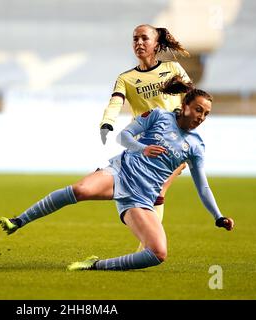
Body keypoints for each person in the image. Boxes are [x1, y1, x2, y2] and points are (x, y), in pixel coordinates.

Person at [0, 76, 234, 271]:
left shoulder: (195, 146)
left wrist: (218, 216)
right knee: (80, 190)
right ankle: (18, 221)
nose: (201, 117)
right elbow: (123, 137)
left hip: (140, 199)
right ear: (184, 106)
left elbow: (202, 186)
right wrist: (143, 148)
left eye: (206, 114)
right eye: (198, 110)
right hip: (120, 173)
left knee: (158, 253)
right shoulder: (158, 116)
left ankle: (94, 265)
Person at [100, 24, 192, 250]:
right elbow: (115, 101)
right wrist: (107, 122)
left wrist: (184, 105)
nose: (139, 43)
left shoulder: (173, 68)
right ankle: (148, 248)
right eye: (135, 39)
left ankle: (147, 251)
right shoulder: (127, 78)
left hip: (173, 145)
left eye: (144, 38)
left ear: (156, 44)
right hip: (142, 148)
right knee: (144, 196)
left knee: (157, 192)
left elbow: (194, 99)